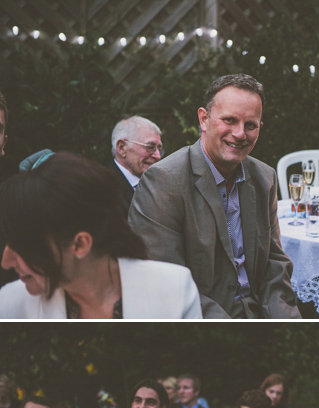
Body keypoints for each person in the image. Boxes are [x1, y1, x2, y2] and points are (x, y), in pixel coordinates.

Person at [128, 73, 300, 319]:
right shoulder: (164, 181)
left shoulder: (265, 178)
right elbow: (165, 284)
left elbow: (274, 266)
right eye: (229, 120)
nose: (240, 133)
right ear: (204, 119)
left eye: (250, 125)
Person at [0, 152, 201, 318]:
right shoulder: (10, 304)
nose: (5, 261)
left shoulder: (174, 290)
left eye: (23, 247)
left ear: (80, 244)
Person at [109, 115, 163, 213]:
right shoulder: (104, 189)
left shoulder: (159, 186)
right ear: (122, 148)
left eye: (159, 149)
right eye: (150, 147)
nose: (158, 156)